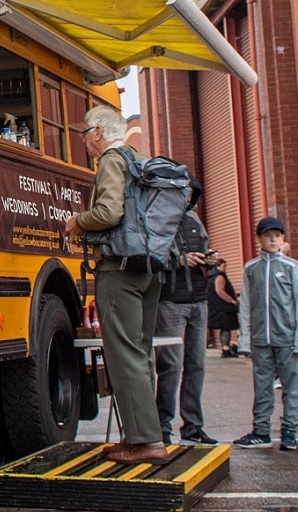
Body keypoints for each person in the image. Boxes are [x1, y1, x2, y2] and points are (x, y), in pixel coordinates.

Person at [62, 104, 167, 464]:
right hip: (150, 268)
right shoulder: (140, 159)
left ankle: (145, 440)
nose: (84, 141)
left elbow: (109, 213)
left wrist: (79, 221)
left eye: (85, 133)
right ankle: (141, 434)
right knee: (140, 353)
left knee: (123, 356)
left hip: (119, 269)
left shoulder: (111, 161)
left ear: (98, 133)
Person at [234, 217, 298, 450]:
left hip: (287, 338)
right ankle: (261, 431)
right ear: (260, 239)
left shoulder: (292, 267)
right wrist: (244, 339)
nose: (273, 240)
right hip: (260, 338)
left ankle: (289, 432)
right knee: (262, 385)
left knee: (291, 386)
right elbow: (245, 305)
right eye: (268, 236)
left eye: (277, 235)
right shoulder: (251, 268)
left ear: (283, 238)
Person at [155, 182, 216, 446]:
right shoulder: (158, 220)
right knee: (171, 367)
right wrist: (178, 261)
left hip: (198, 301)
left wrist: (209, 258)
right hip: (170, 301)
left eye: (190, 193)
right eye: (182, 191)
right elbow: (150, 256)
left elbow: (203, 248)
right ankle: (162, 428)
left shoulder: (194, 219)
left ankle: (193, 428)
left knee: (197, 366)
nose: (186, 197)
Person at [207, 265, 241, 356]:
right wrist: (231, 300)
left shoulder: (210, 277)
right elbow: (220, 291)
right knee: (226, 328)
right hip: (224, 308)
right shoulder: (219, 277)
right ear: (218, 266)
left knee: (224, 328)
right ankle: (226, 349)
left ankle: (225, 348)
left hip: (217, 307)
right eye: (224, 266)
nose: (225, 268)